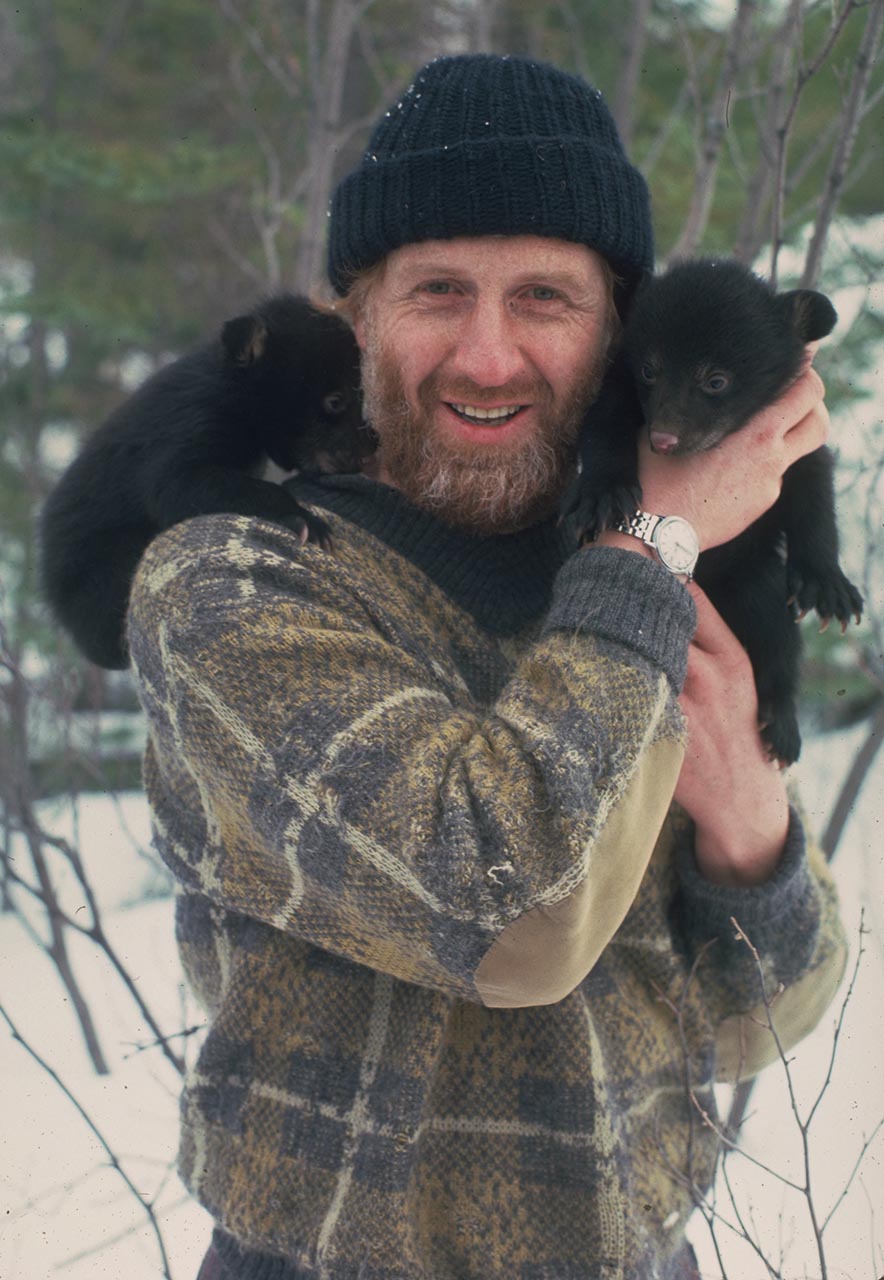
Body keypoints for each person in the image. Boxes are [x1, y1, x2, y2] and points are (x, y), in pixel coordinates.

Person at [127, 54, 847, 1280]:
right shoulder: (233, 580)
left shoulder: (658, 582)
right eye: (437, 290)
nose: (489, 355)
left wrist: (745, 812)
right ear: (354, 313)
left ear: (619, 331)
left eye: (546, 299)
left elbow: (759, 1014)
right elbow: (510, 916)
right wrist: (655, 547)